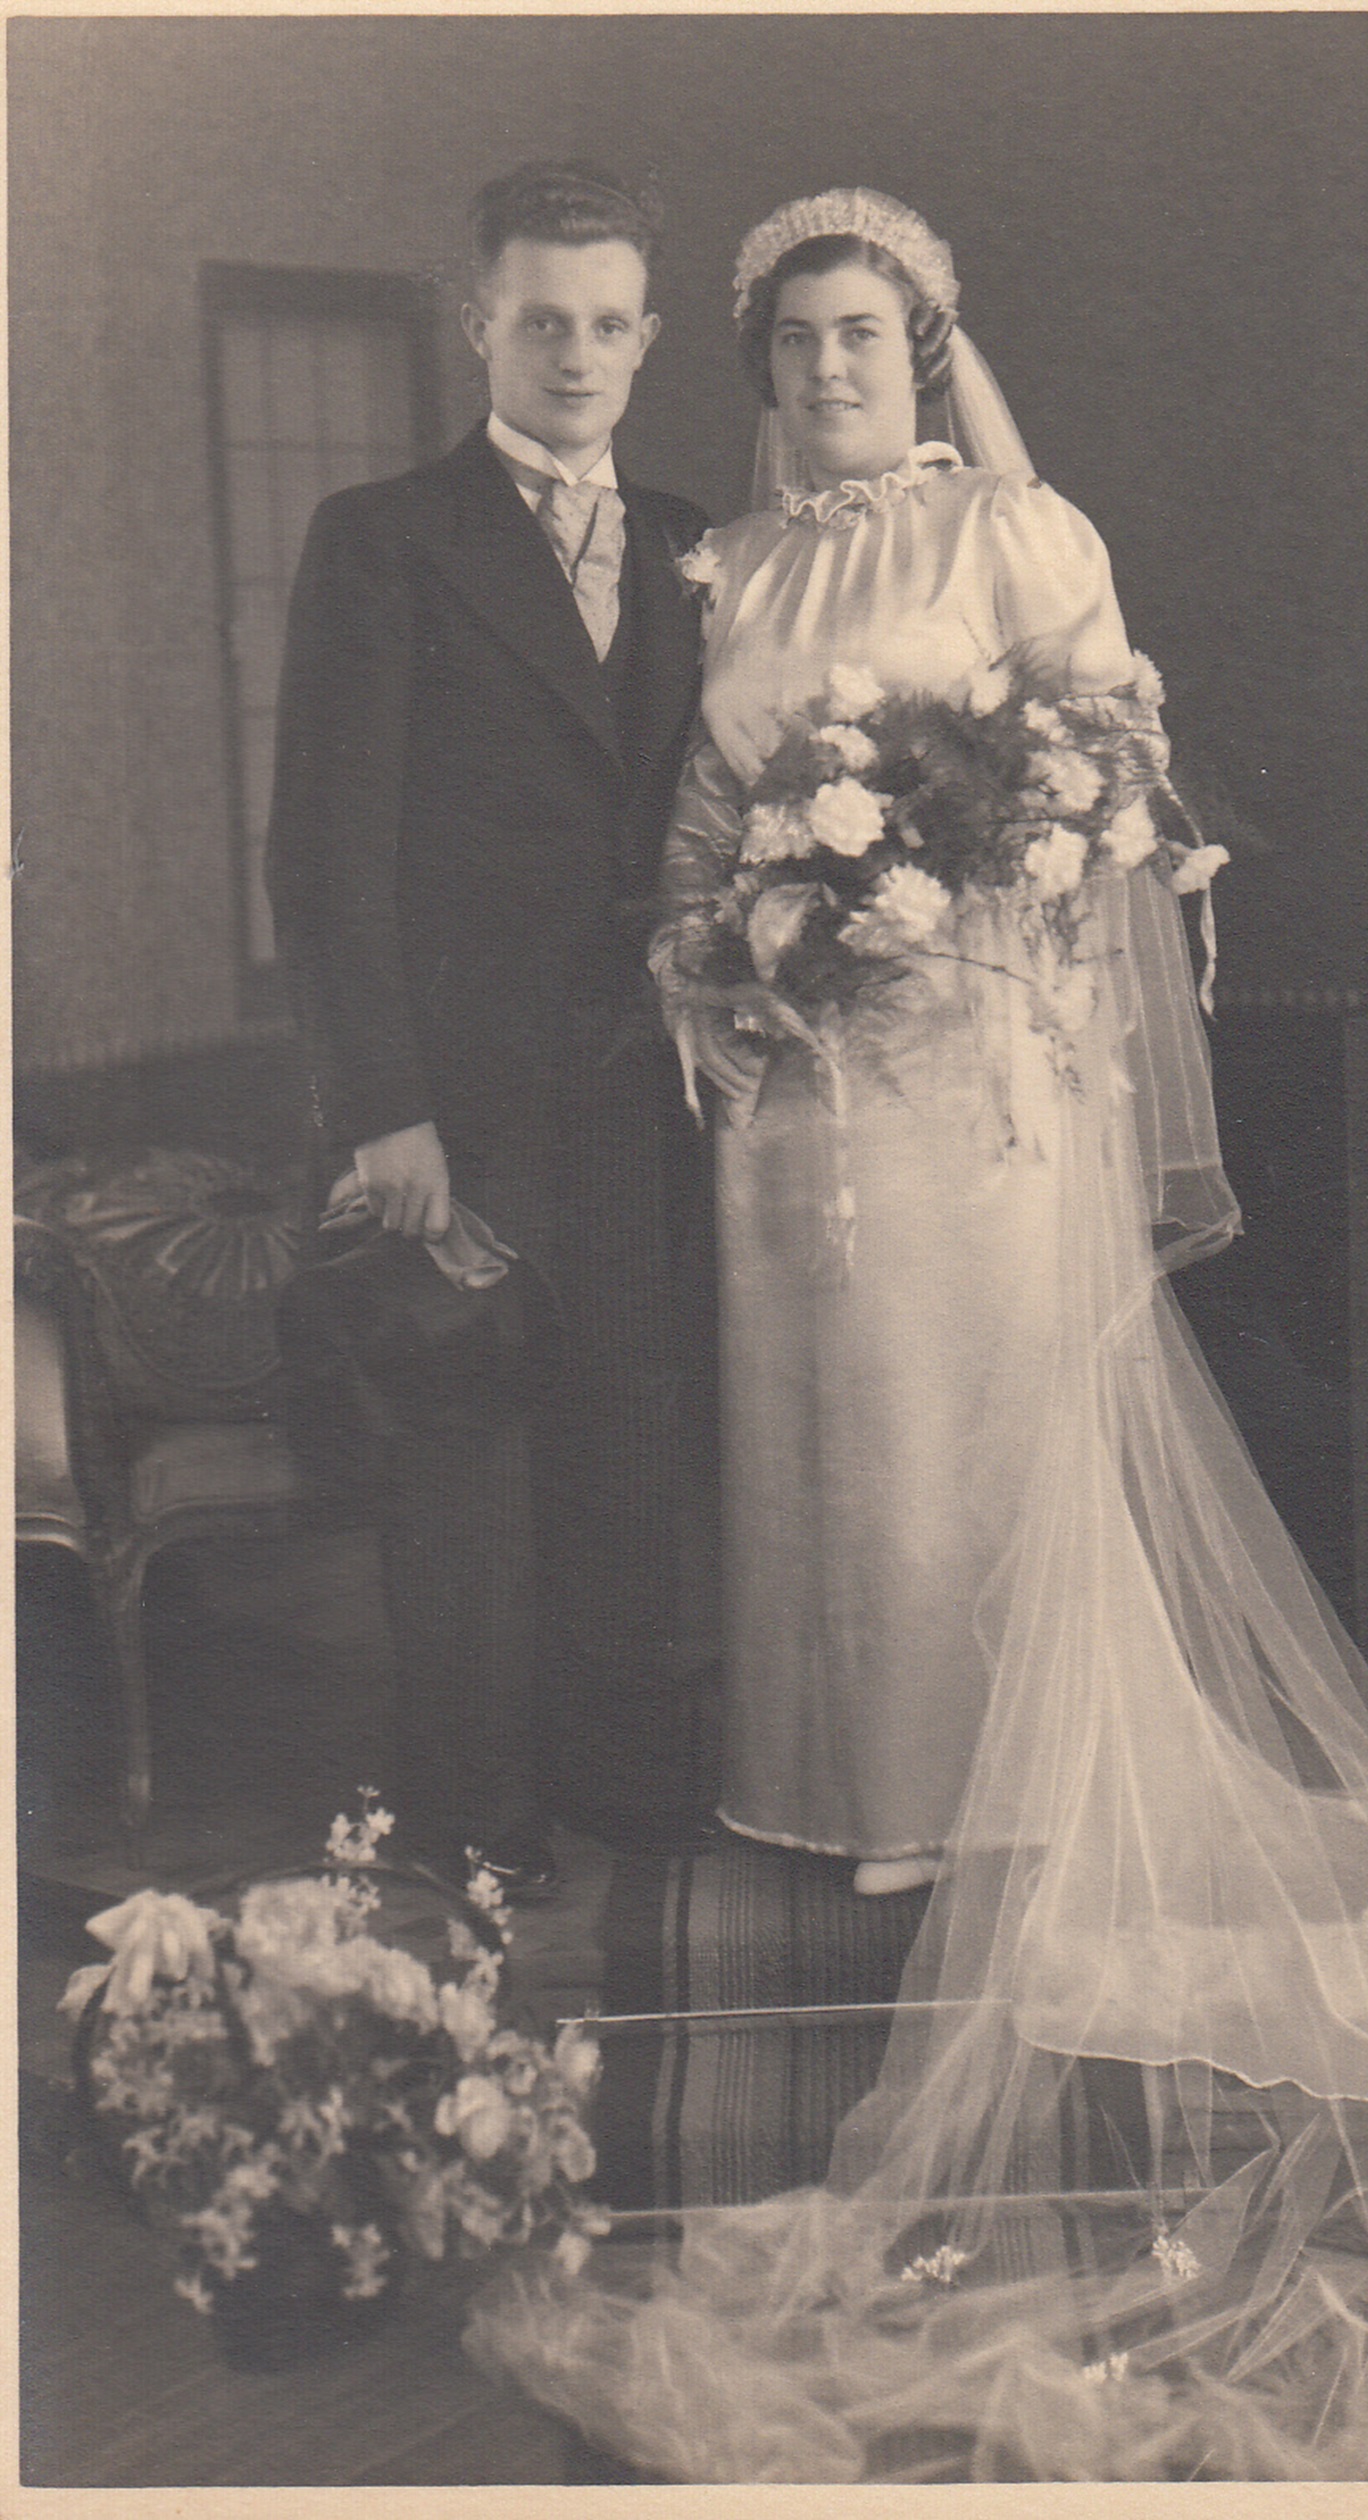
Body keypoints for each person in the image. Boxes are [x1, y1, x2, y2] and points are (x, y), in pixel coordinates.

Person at [464, 191, 1368, 2479]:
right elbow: (700, 811)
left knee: (963, 1425)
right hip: (790, 1094)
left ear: (923, 348)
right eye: (793, 347)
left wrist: (957, 888)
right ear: (759, 375)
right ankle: (841, 1784)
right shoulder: (729, 573)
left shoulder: (1014, 530)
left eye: (860, 339)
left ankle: (989, 1788)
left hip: (971, 1077)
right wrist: (720, 945)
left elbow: (1107, 789)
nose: (826, 374)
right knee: (819, 1440)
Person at [266, 163, 715, 1888]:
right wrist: (384, 1108)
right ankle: (474, 1832)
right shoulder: (385, 538)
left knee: (628, 1449)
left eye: (607, 324)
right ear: (480, 326)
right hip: (456, 1100)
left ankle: (624, 1800)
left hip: (647, 1090)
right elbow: (323, 855)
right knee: (464, 1470)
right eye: (542, 321)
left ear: (648, 339)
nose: (576, 355)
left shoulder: (690, 542)